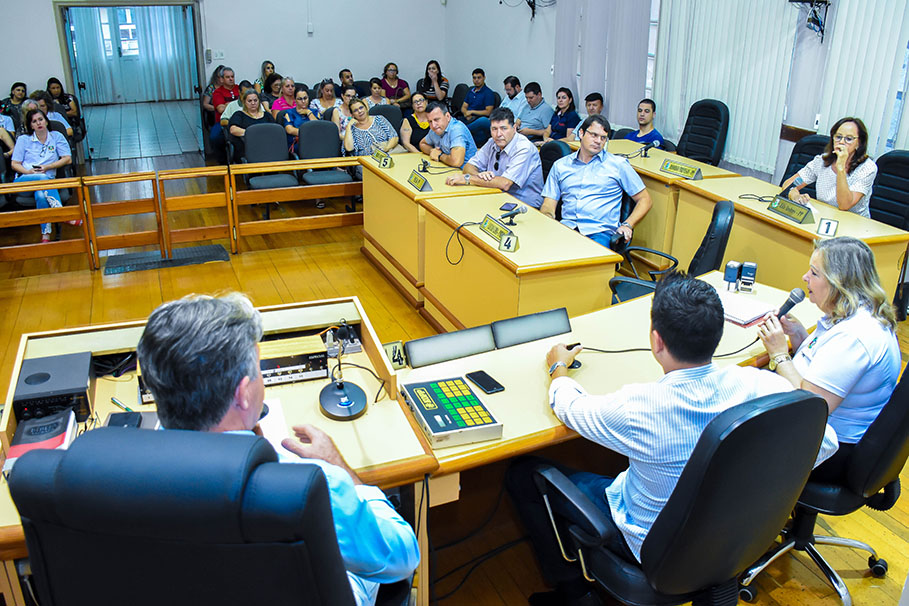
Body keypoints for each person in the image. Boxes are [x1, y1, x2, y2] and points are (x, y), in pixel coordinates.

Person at [505, 271, 838, 606]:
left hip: (654, 550)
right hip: (738, 538)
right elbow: (827, 440)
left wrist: (558, 368)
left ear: (657, 341)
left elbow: (568, 406)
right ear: (717, 335)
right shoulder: (759, 385)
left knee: (523, 474)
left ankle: (574, 594)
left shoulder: (638, 408)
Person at [136, 293, 420, 606]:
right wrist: (340, 469)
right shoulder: (311, 484)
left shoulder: (125, 477)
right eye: (258, 370)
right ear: (243, 394)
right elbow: (403, 556)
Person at [758, 237, 899, 483]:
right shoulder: (854, 313)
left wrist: (779, 354)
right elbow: (824, 370)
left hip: (832, 452)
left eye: (814, 273)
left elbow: (809, 406)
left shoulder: (854, 337)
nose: (805, 277)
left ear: (838, 283)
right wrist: (799, 336)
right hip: (828, 432)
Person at [540, 115, 652, 248]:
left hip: (599, 233)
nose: (598, 141)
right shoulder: (561, 165)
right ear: (581, 133)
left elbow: (645, 199)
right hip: (567, 228)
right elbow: (549, 203)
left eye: (603, 138)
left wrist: (628, 225)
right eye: (594, 135)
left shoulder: (618, 165)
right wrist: (548, 219)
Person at [445, 107, 543, 208]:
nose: (498, 134)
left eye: (504, 128)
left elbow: (505, 183)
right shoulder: (492, 142)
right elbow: (468, 167)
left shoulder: (524, 148)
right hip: (496, 195)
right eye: (494, 129)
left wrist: (468, 179)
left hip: (523, 205)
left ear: (514, 128)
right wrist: (479, 176)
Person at [781, 117, 877, 217]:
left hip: (853, 221)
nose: (841, 142)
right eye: (838, 137)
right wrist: (794, 195)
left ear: (859, 143)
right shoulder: (822, 161)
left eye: (848, 139)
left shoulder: (867, 168)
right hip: (824, 216)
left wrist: (841, 168)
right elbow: (790, 183)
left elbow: (844, 205)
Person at [10, 108, 75, 242]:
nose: (38, 123)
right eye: (34, 121)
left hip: (47, 183)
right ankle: (63, 214)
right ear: (31, 125)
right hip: (25, 180)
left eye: (40, 119)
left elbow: (67, 159)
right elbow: (14, 164)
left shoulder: (56, 136)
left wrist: (48, 167)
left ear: (46, 121)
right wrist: (29, 172)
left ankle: (45, 235)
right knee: (42, 177)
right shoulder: (23, 139)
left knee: (41, 195)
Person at [344, 97, 398, 176]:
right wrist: (349, 126)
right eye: (355, 110)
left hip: (388, 157)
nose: (359, 111)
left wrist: (386, 148)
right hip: (366, 163)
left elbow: (394, 137)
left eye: (361, 108)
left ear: (366, 108)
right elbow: (349, 148)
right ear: (352, 114)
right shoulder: (352, 129)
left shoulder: (379, 119)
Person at [419, 101, 476, 168]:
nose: (433, 125)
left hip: (466, 171)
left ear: (448, 116)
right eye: (430, 121)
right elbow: (422, 144)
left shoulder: (457, 129)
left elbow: (456, 162)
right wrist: (432, 151)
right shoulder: (436, 128)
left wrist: (440, 155)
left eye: (436, 119)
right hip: (447, 168)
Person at [227, 89, 276, 161]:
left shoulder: (267, 115)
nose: (253, 103)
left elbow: (275, 131)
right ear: (244, 102)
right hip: (247, 149)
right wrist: (253, 134)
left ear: (259, 101)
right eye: (249, 101)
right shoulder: (239, 115)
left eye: (255, 100)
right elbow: (233, 130)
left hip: (267, 147)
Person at [461, 68, 496, 144]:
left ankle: (461, 132)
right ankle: (461, 132)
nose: (476, 80)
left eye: (479, 78)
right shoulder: (471, 91)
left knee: (482, 121)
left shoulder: (488, 93)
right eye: (474, 78)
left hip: (478, 120)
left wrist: (471, 112)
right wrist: (466, 114)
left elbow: (488, 112)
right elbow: (463, 107)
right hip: (467, 118)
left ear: (484, 78)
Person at [210, 67, 240, 148]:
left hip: (240, 119)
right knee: (214, 137)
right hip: (223, 122)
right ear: (222, 79)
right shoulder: (217, 92)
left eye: (232, 76)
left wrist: (226, 104)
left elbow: (247, 103)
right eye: (227, 77)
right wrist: (237, 103)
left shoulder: (239, 88)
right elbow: (221, 109)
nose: (231, 79)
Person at [283, 88, 315, 155]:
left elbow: (318, 127)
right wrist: (308, 133)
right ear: (295, 99)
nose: (303, 101)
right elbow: (289, 130)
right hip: (297, 144)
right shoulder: (289, 113)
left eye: (305, 98)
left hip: (314, 142)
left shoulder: (314, 112)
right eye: (300, 99)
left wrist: (308, 112)